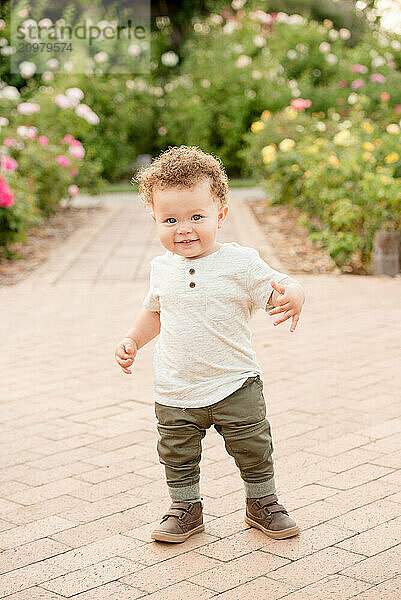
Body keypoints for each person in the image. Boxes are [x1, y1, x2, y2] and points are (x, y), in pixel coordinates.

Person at [114, 146, 306, 543]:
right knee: (177, 454)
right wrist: (133, 340)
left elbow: (277, 286)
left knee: (254, 446)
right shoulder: (161, 268)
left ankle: (262, 502)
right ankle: (185, 508)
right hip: (175, 387)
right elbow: (155, 313)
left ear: (220, 214)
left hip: (235, 382)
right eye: (170, 220)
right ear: (154, 220)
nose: (183, 228)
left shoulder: (241, 262)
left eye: (196, 217)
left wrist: (294, 292)